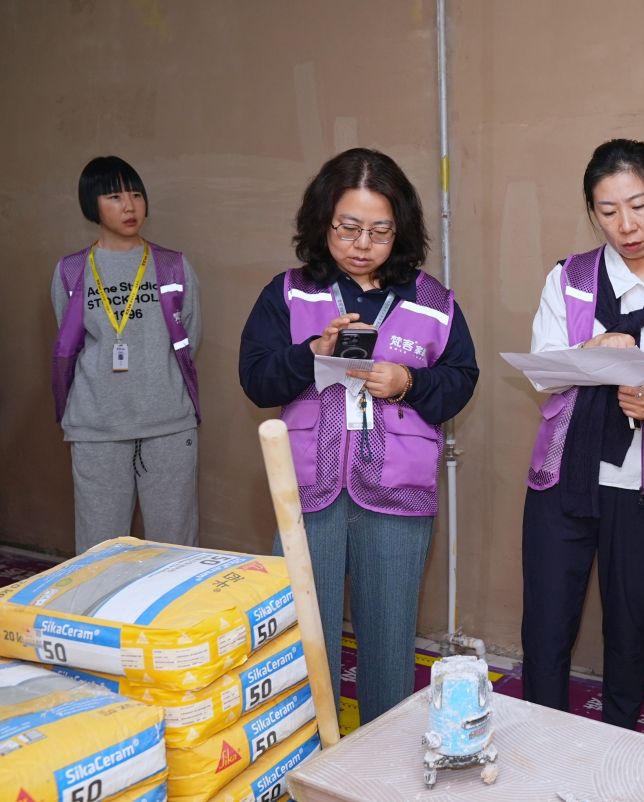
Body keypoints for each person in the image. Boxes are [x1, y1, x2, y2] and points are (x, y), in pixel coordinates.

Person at [239, 148, 478, 724]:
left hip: (397, 494)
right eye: (347, 228)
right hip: (308, 492)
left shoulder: (433, 302)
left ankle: (380, 764)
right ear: (323, 222)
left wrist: (408, 382)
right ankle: (302, 760)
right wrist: (311, 352)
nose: (362, 244)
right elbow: (255, 377)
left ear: (401, 229)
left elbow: (461, 380)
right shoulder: (290, 293)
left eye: (379, 230)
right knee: (301, 643)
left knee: (389, 646)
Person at [521, 139, 644, 729]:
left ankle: (618, 745)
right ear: (592, 212)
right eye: (608, 211)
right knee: (546, 623)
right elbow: (542, 372)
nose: (626, 226)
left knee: (631, 627)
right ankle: (544, 742)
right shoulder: (569, 278)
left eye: (638, 206)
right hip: (563, 477)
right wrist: (592, 349)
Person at [52, 156, 202, 554]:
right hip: (96, 425)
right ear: (92, 204)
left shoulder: (173, 265)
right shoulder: (71, 270)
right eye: (115, 197)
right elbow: (69, 345)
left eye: (136, 194)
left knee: (174, 548)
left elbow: (190, 337)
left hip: (168, 422)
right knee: (99, 551)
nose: (130, 206)